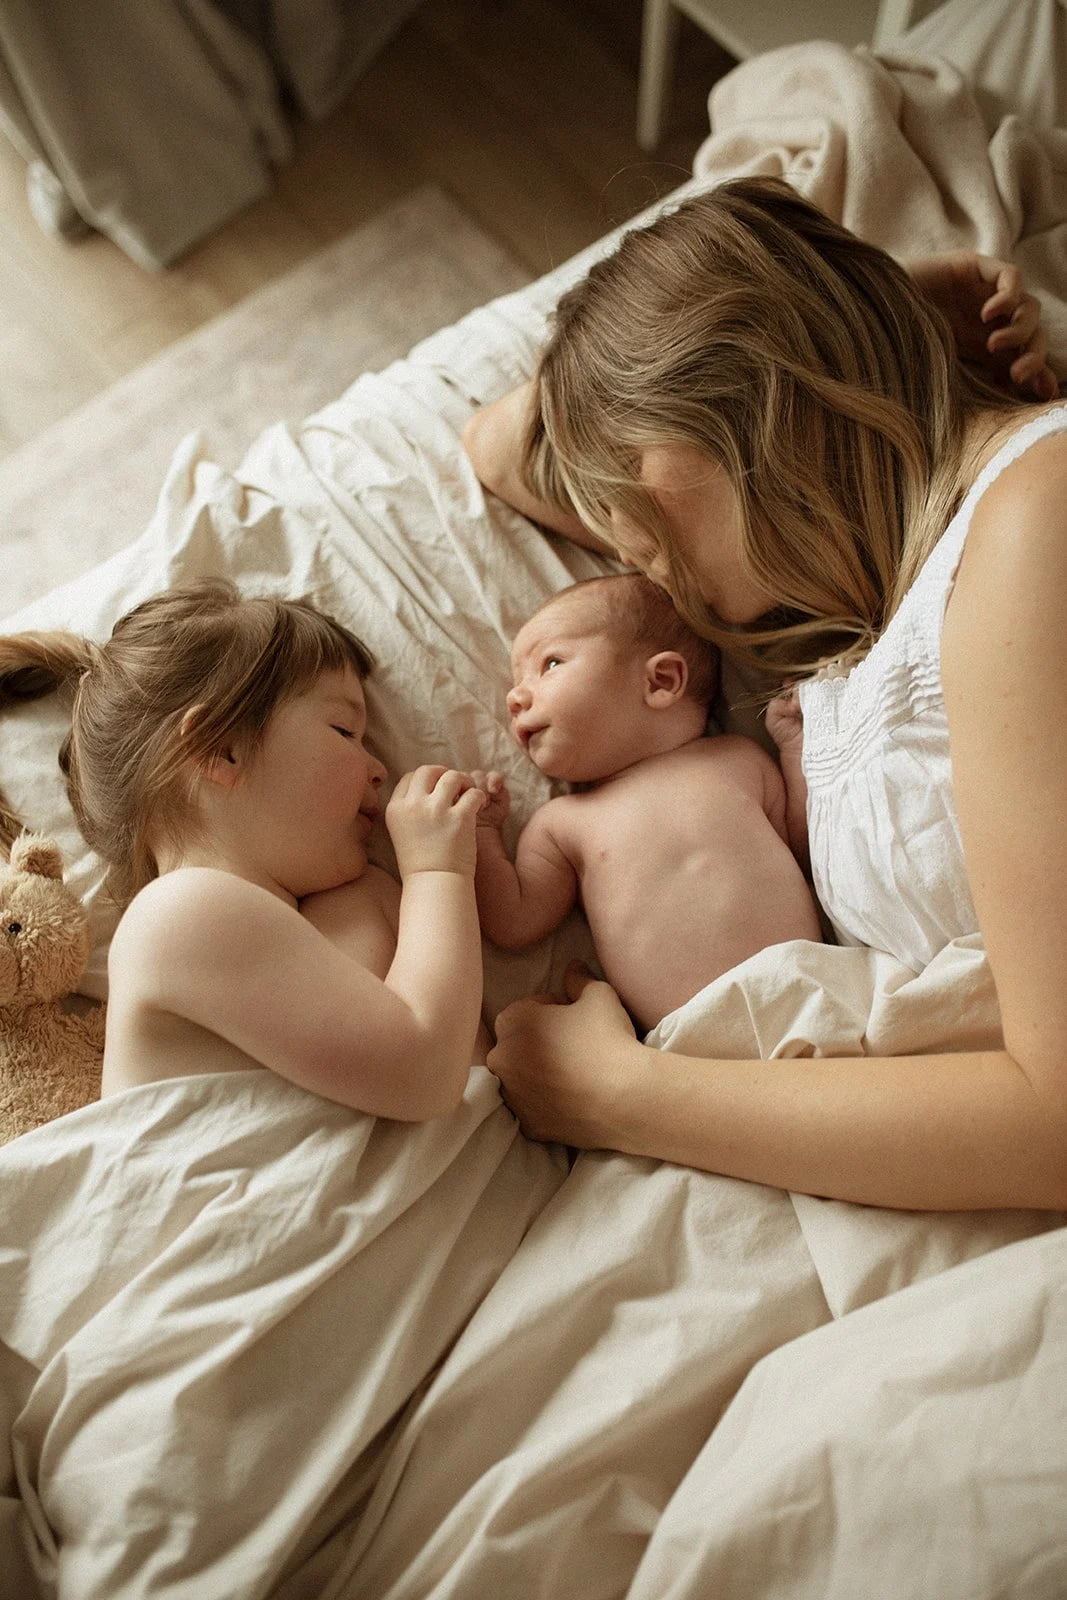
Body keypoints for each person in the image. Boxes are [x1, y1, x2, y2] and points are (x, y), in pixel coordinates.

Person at [462, 176, 1067, 1215]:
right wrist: (884, 302)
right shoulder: (831, 610)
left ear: (738, 411)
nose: (631, 553)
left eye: (637, 510)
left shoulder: (1032, 520)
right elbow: (493, 442)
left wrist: (622, 1095)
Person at [0, 580, 488, 1119]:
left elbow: (473, 1080)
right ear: (222, 751)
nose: (378, 768)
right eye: (346, 730)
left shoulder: (337, 907)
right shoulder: (178, 914)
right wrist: (438, 871)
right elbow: (425, 1074)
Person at [470, 572, 821, 1033]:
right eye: (517, 684)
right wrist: (480, 835)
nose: (515, 698)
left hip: (813, 993)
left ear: (661, 680)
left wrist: (794, 748)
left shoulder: (740, 760)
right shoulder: (561, 823)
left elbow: (807, 846)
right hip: (693, 1045)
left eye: (550, 664)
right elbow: (514, 921)